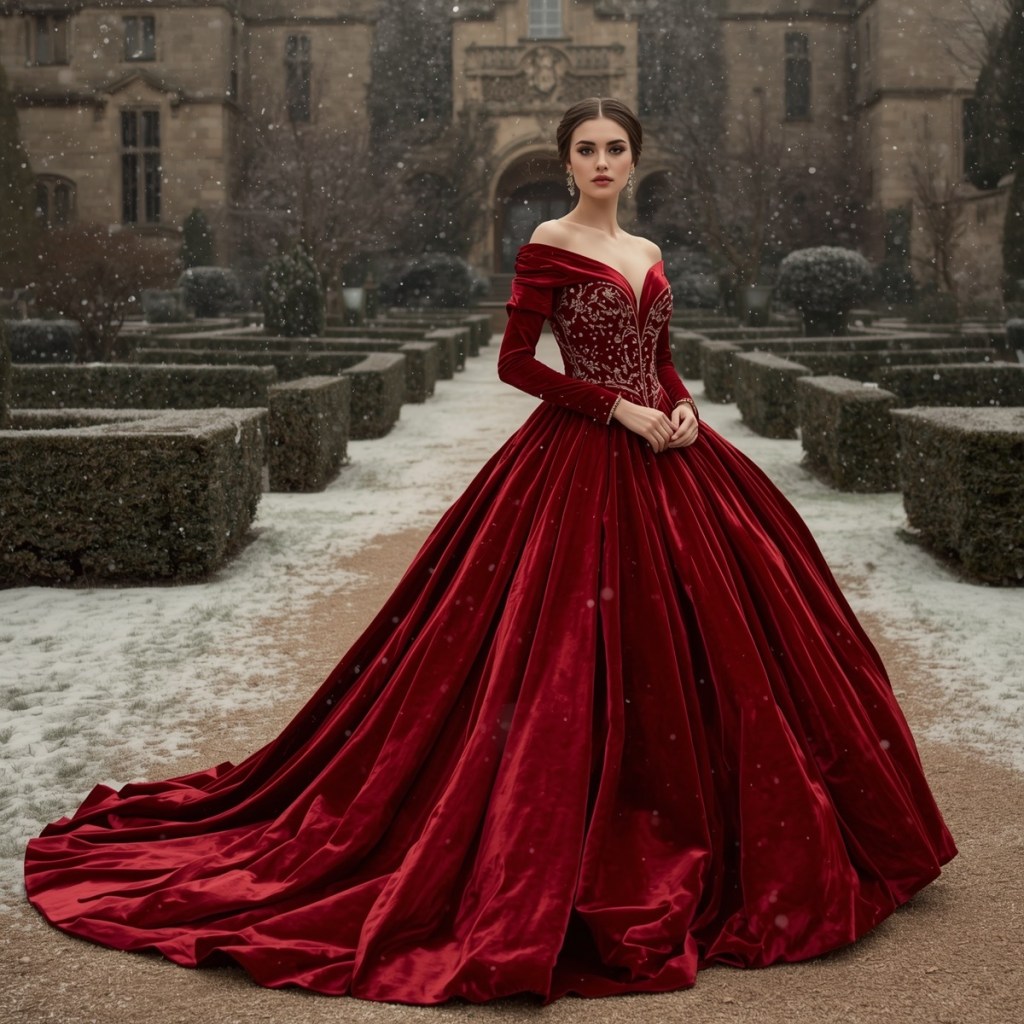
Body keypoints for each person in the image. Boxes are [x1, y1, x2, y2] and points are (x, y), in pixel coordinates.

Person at [24, 97, 956, 1005]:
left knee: (743, 630)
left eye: (615, 148)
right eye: (586, 148)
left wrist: (678, 405)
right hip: (582, 458)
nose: (601, 162)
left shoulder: (649, 251)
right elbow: (519, 363)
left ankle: (711, 827)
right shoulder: (549, 244)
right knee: (546, 651)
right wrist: (614, 406)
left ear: (634, 160)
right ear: (567, 162)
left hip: (672, 455)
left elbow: (662, 354)